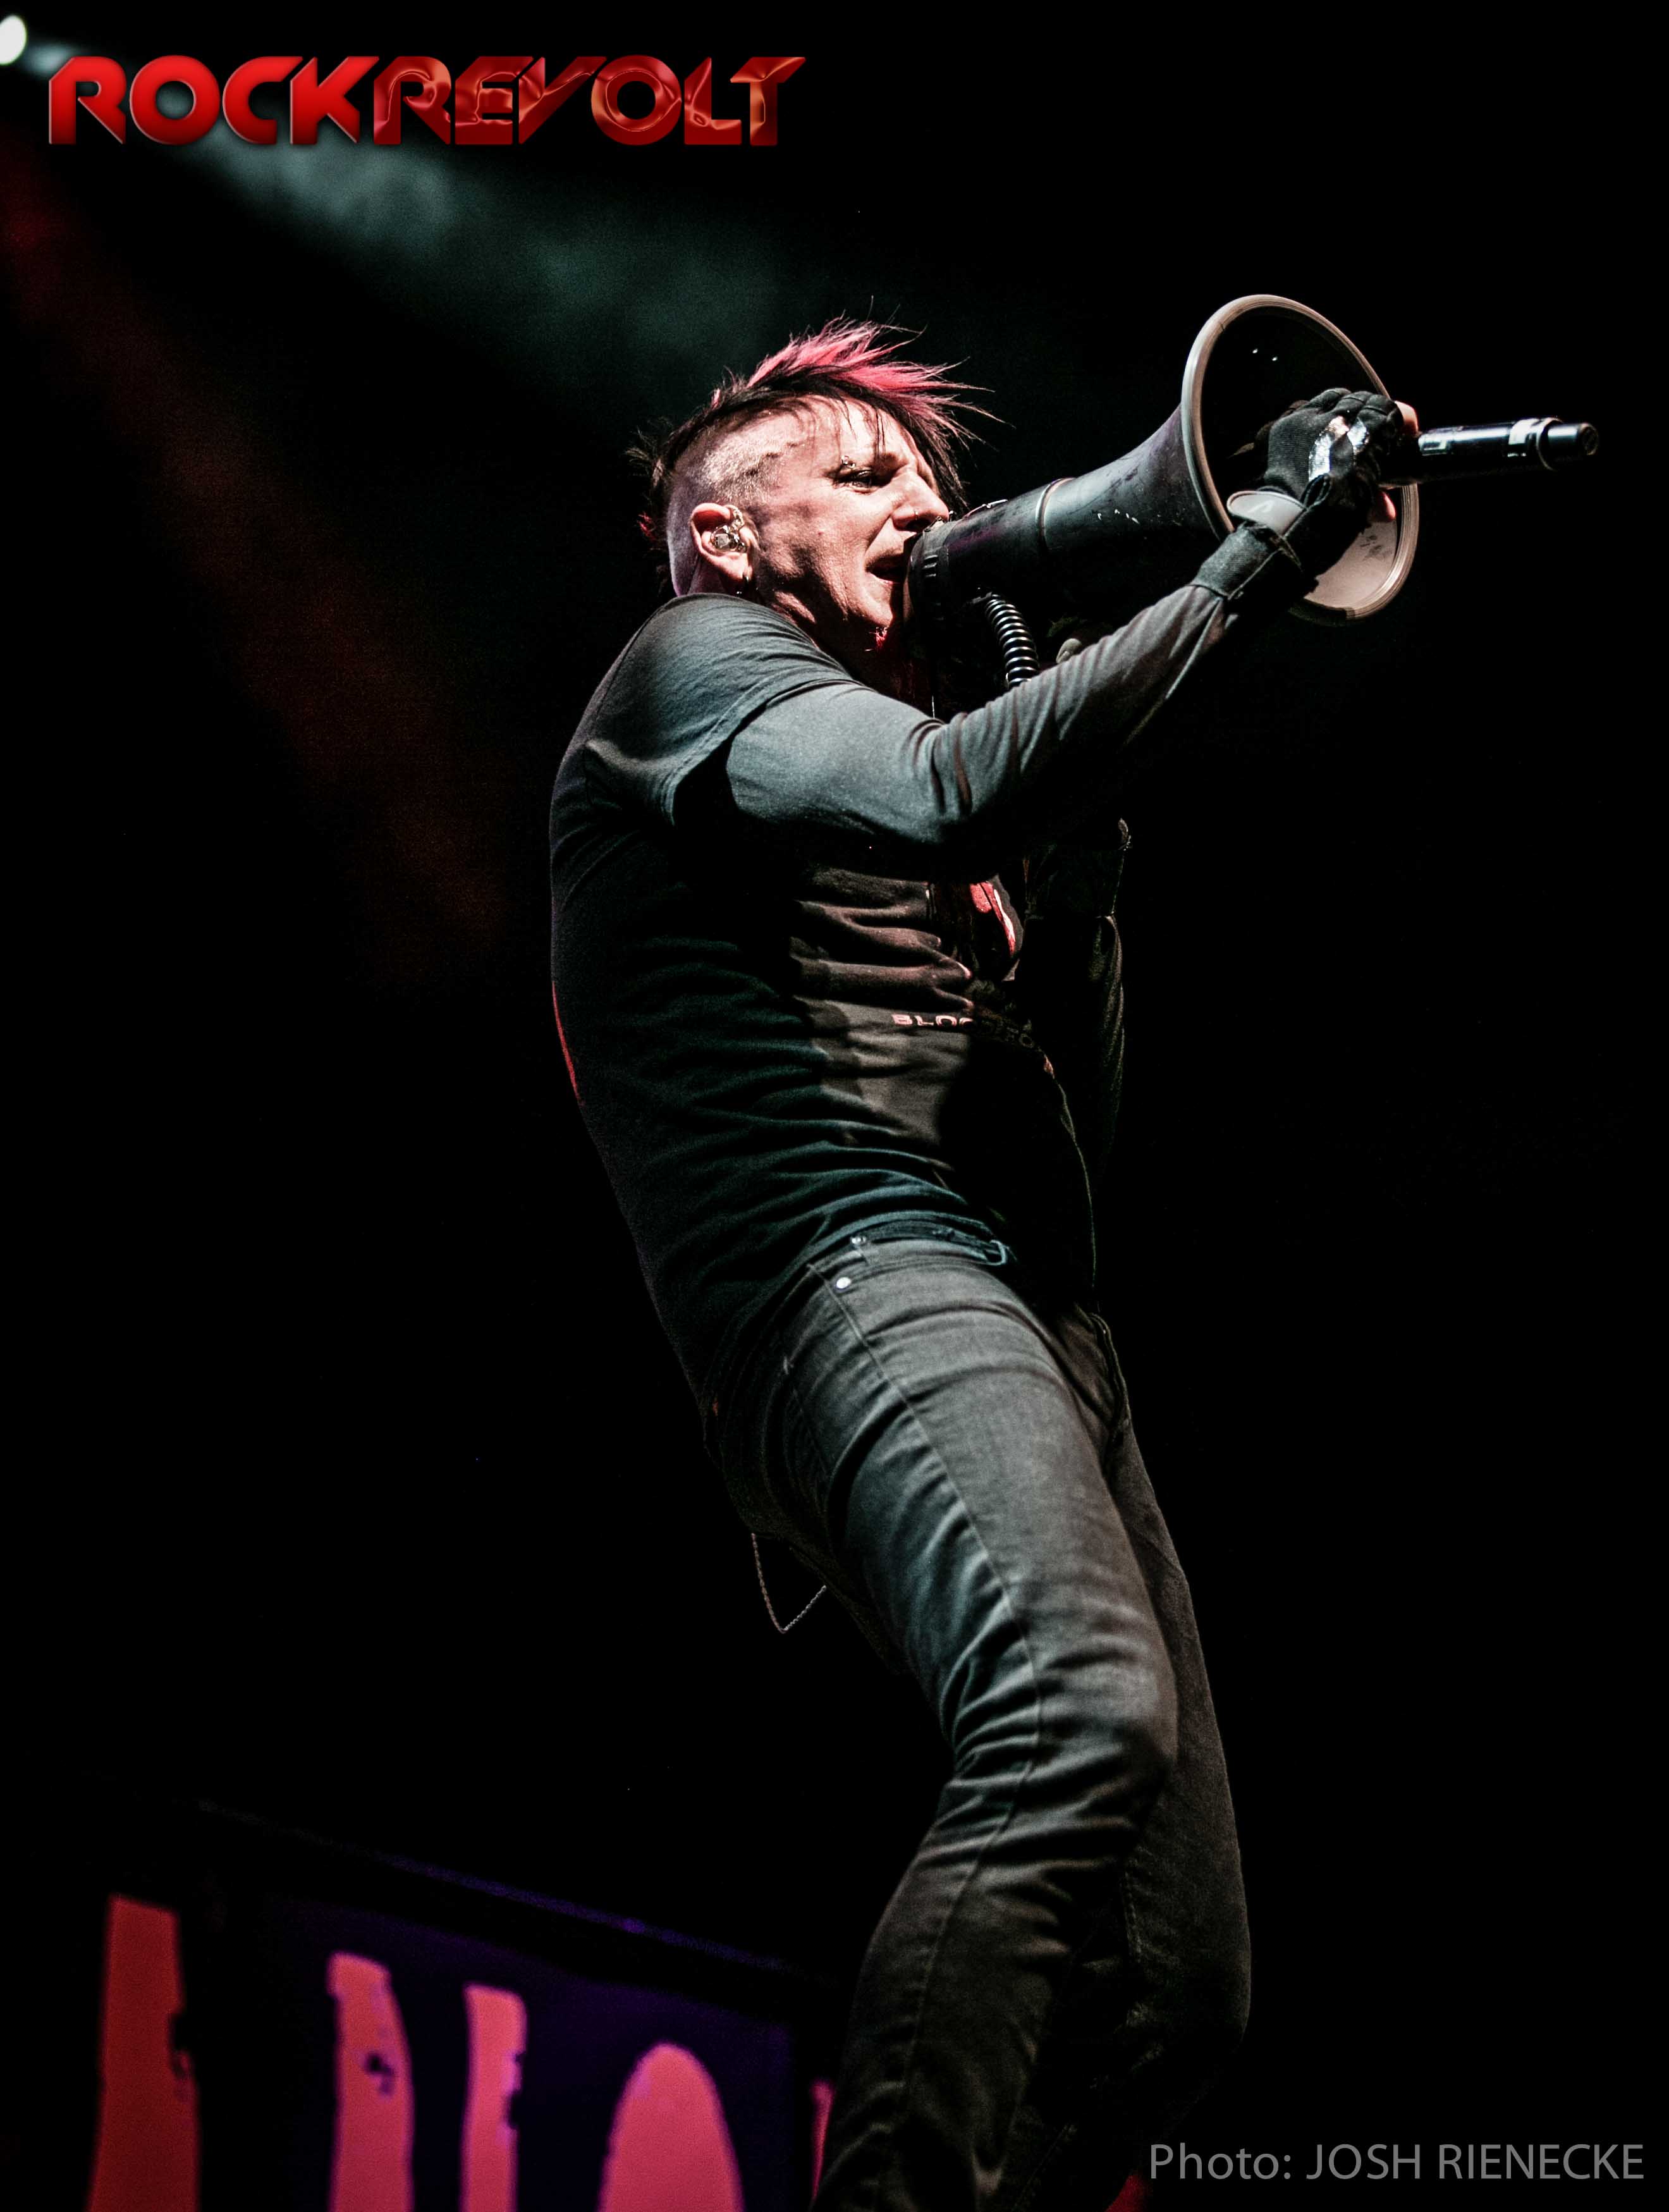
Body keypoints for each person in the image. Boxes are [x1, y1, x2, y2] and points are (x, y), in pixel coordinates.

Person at [549, 319, 1405, 2210]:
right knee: (1074, 1714)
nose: (919, 507)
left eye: (927, 480)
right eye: (861, 476)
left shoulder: (899, 774)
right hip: (856, 1271)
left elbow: (1075, 1112)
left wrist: (1081, 880)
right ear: (726, 536)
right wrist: (1250, 559)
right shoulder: (695, 665)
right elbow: (951, 791)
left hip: (1032, 1310)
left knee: (1180, 1995)